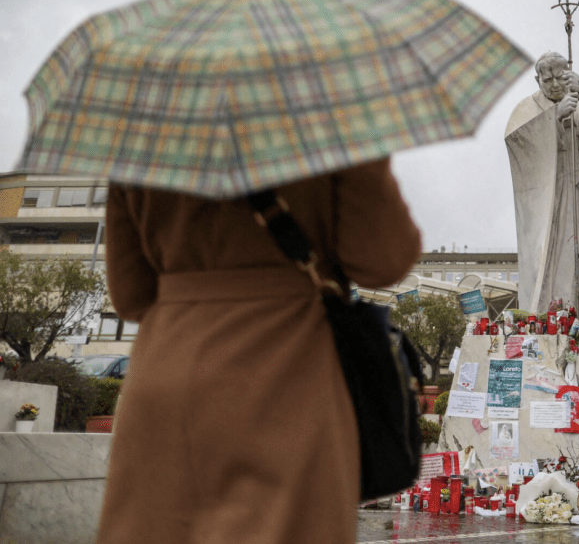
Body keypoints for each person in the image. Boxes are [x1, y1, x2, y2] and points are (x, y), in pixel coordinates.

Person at [96, 158, 421, 544]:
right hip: (290, 367)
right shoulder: (325, 118)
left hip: (166, 371)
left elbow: (131, 296)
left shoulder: (144, 125)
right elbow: (384, 260)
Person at [504, 52, 579, 314]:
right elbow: (517, 143)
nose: (555, 85)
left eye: (560, 77)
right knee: (553, 253)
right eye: (547, 80)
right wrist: (554, 118)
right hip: (551, 197)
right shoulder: (526, 108)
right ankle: (554, 310)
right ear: (537, 79)